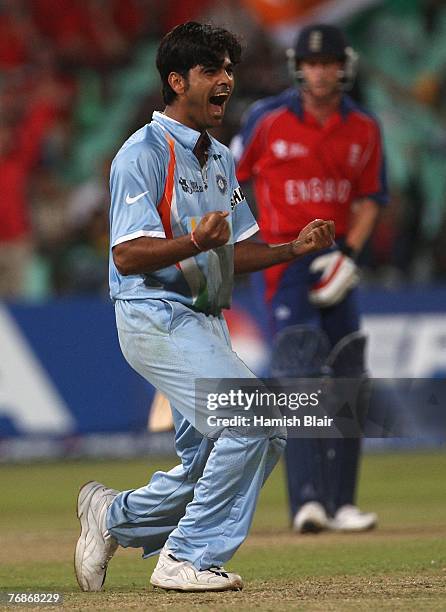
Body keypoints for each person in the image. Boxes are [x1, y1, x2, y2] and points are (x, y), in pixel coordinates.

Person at [74, 22, 334, 593]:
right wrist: (195, 241)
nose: (227, 81)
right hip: (155, 316)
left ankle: (111, 516)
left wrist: (294, 248)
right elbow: (125, 255)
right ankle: (185, 557)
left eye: (229, 70)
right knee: (255, 417)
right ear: (176, 80)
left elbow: (232, 253)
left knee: (232, 451)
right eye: (212, 70)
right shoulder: (140, 155)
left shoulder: (218, 157)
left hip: (205, 323)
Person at [233, 24, 388, 533]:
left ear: (344, 66)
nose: (321, 73)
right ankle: (307, 502)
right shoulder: (267, 119)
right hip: (285, 258)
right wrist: (243, 242)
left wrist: (352, 256)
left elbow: (370, 201)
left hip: (337, 257)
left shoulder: (363, 127)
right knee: (299, 372)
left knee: (346, 373)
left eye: (329, 64)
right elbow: (225, 179)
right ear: (298, 66)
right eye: (312, 63)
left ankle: (341, 502)